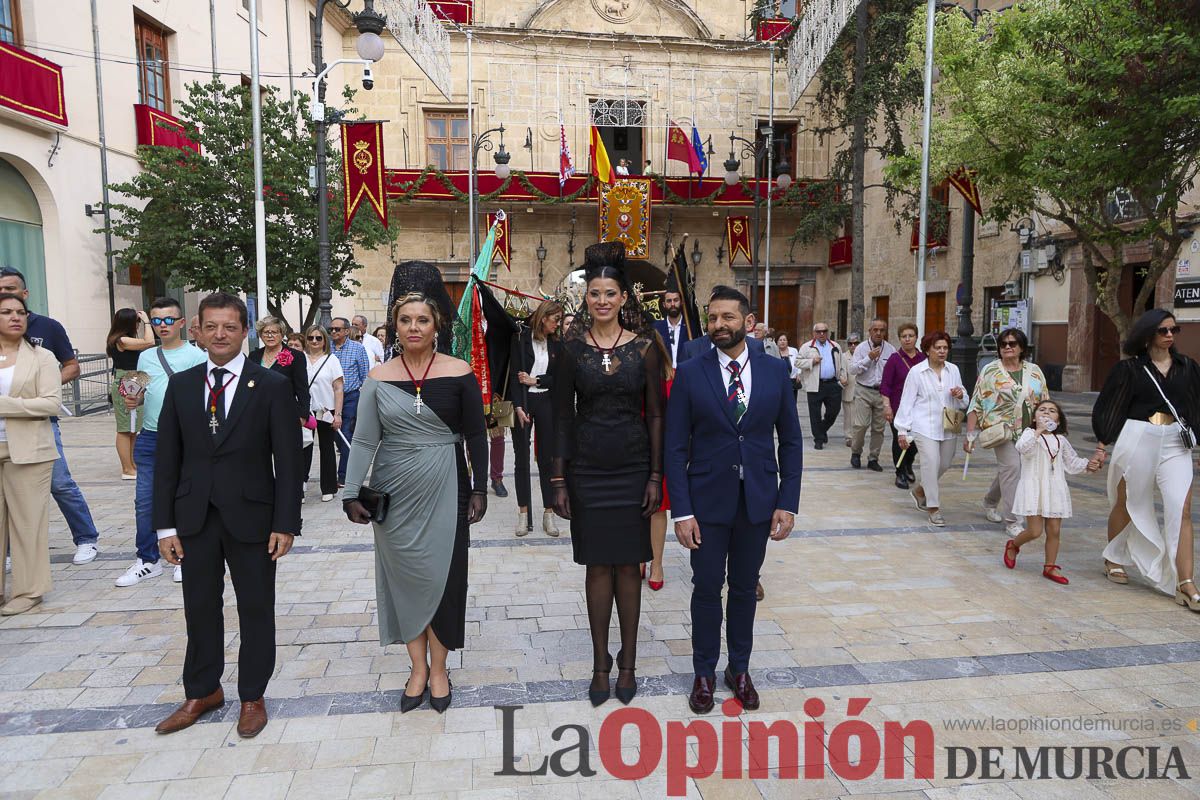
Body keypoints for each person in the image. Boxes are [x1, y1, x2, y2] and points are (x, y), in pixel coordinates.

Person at [152, 292, 301, 738]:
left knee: (256, 607)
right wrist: (164, 526)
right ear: (197, 329)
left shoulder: (271, 385)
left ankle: (252, 694)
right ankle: (202, 690)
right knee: (199, 608)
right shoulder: (182, 386)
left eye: (230, 327)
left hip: (253, 518)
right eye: (212, 326)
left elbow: (289, 462)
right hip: (194, 517)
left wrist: (285, 522)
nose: (220, 335)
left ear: (245, 331)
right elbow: (167, 462)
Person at [343, 292, 488, 714]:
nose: (413, 327)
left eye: (422, 320)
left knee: (442, 577)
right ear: (395, 326)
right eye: (405, 320)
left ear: (436, 325)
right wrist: (351, 491)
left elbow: (476, 434)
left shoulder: (460, 372)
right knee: (404, 579)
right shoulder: (378, 376)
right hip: (394, 492)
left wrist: (478, 487)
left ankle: (439, 669)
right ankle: (416, 669)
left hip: (447, 483)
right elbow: (365, 438)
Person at [665, 285, 802, 714]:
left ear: (748, 321)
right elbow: (675, 447)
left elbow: (792, 442)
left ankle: (738, 669)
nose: (718, 326)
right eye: (712, 318)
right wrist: (682, 510)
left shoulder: (774, 372)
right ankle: (704, 672)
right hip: (706, 505)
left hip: (758, 502)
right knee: (707, 588)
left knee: (744, 588)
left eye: (727, 317)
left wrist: (788, 501)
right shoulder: (690, 371)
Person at [551, 242, 664, 706]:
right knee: (598, 567)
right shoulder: (570, 350)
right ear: (587, 298)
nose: (601, 300)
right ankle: (600, 663)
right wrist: (557, 479)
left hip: (635, 468)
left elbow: (657, 415)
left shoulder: (645, 349)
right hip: (588, 470)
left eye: (610, 293)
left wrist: (656, 476)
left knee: (628, 569)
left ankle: (629, 662)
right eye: (594, 292)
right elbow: (559, 416)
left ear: (623, 298)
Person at [1092, 309, 1200, 605]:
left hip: (1176, 441)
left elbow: (1196, 406)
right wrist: (1102, 443)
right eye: (1163, 330)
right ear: (1148, 333)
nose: (1169, 336)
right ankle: (1113, 557)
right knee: (1128, 502)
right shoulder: (1129, 370)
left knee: (1182, 509)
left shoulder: (1186, 367)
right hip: (1138, 436)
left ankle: (1186, 583)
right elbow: (1111, 406)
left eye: (1173, 331)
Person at [0, 267, 100, 565]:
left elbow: (72, 365)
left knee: (60, 482)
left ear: (25, 294)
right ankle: (7, 550)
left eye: (11, 289)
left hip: (39, 421)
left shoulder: (48, 327)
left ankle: (86, 538)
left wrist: (45, 385)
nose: (6, 296)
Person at [116, 298, 207, 587]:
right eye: (156, 321)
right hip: (151, 435)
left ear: (182, 323)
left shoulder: (197, 357)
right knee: (145, 502)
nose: (162, 326)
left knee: (185, 499)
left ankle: (185, 556)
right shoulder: (146, 357)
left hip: (186, 438)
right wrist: (134, 398)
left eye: (169, 320)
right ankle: (147, 559)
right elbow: (139, 390)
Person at [0, 293, 62, 615]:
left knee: (28, 525)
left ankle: (29, 591)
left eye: (20, 312)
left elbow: (51, 404)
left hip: (29, 451)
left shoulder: (42, 357)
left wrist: (6, 406)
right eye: (6, 312)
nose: (15, 317)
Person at [964, 328, 1050, 536]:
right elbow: (976, 402)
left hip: (1029, 431)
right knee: (1013, 468)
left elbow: (1045, 400)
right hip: (1002, 430)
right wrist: (970, 434)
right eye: (1003, 344)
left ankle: (989, 501)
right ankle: (1013, 520)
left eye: (1012, 344)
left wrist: (1048, 428)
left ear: (1022, 347)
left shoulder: (1035, 370)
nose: (1007, 347)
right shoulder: (990, 371)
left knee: (1010, 471)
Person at [1004, 400, 1099, 585]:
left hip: (1054, 488)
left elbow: (1072, 463)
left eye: (1052, 411)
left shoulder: (1060, 440)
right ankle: (1013, 545)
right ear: (1034, 417)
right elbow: (1023, 449)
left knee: (1054, 530)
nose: (1047, 413)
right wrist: (1038, 431)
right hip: (1034, 488)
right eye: (1042, 410)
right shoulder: (1029, 434)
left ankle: (1050, 566)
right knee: (1034, 531)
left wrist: (1089, 464)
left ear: (1059, 419)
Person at [894, 331, 968, 527]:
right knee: (931, 463)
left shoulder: (953, 370)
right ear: (928, 350)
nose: (942, 351)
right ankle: (933, 508)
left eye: (945, 348)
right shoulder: (917, 372)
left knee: (944, 464)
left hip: (948, 425)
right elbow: (907, 401)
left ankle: (920, 491)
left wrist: (960, 394)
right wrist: (902, 430)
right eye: (938, 348)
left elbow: (964, 399)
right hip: (923, 426)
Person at [511, 300, 564, 537]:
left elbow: (559, 378)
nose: (558, 324)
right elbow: (513, 375)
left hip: (546, 402)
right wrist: (518, 406)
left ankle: (548, 513)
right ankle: (523, 513)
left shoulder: (556, 344)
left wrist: (536, 381)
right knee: (522, 458)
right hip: (523, 402)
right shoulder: (521, 339)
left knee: (546, 459)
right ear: (544, 318)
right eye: (556, 319)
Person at [106, 307, 156, 478]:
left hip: (135, 378)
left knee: (134, 427)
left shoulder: (122, 339)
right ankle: (127, 468)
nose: (138, 324)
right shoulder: (121, 340)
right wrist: (147, 322)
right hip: (126, 380)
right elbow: (149, 342)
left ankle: (132, 464)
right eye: (136, 321)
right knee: (125, 428)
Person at [301, 325, 343, 502]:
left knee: (327, 448)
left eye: (319, 338)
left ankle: (328, 487)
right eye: (311, 338)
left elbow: (338, 388)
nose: (314, 341)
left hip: (325, 410)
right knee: (303, 448)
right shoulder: (300, 359)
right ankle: (299, 486)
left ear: (325, 340)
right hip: (305, 410)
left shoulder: (331, 359)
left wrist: (338, 414)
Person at [881, 324, 926, 489]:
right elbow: (886, 385)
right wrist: (887, 406)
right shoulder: (894, 359)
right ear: (899, 339)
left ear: (916, 337)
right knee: (900, 439)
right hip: (898, 408)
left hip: (919, 409)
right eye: (904, 336)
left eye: (911, 335)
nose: (907, 339)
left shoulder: (923, 359)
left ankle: (908, 464)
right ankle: (899, 472)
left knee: (914, 441)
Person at [849, 318, 896, 472]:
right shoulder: (861, 348)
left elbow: (893, 373)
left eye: (882, 330)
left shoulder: (890, 350)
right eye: (875, 329)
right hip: (864, 389)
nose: (878, 333)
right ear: (869, 331)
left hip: (882, 393)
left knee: (879, 428)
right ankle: (856, 452)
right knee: (861, 425)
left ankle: (873, 458)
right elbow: (853, 370)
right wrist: (868, 358)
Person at [330, 316, 371, 487]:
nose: (333, 332)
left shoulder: (357, 349)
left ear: (346, 331)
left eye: (337, 329)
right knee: (335, 437)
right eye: (331, 329)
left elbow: (364, 374)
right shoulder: (327, 348)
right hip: (329, 399)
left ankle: (344, 476)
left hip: (350, 397)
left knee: (345, 432)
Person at [796, 323, 843, 450]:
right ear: (814, 333)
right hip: (815, 384)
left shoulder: (835, 346)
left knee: (834, 411)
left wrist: (842, 377)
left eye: (824, 331)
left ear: (828, 332)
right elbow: (797, 362)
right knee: (815, 414)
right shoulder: (807, 347)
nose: (822, 334)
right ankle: (818, 439)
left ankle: (821, 430)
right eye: (819, 331)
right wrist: (812, 361)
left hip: (833, 384)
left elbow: (841, 363)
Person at [652, 287, 692, 367]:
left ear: (681, 302)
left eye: (676, 300)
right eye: (669, 301)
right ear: (664, 304)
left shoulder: (691, 327)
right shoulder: (656, 328)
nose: (673, 304)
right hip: (665, 376)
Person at [841, 333, 861, 447]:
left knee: (859, 417)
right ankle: (849, 436)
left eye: (856, 343)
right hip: (849, 389)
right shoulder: (844, 356)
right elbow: (842, 370)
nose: (853, 346)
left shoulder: (863, 355)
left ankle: (858, 436)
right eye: (850, 344)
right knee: (849, 416)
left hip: (862, 390)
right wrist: (843, 378)